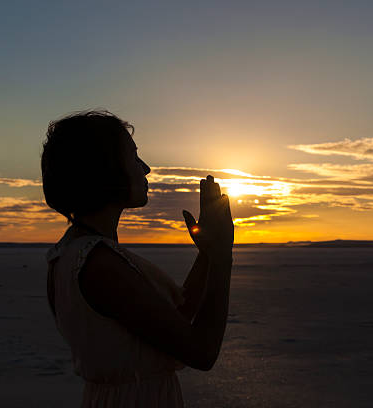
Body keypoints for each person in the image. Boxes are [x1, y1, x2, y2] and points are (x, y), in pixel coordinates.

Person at [41, 110, 234, 407]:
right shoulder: (100, 265)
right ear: (104, 169)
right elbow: (201, 351)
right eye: (133, 158)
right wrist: (222, 258)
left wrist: (208, 254)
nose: (146, 169)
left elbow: (175, 321)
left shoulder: (75, 253)